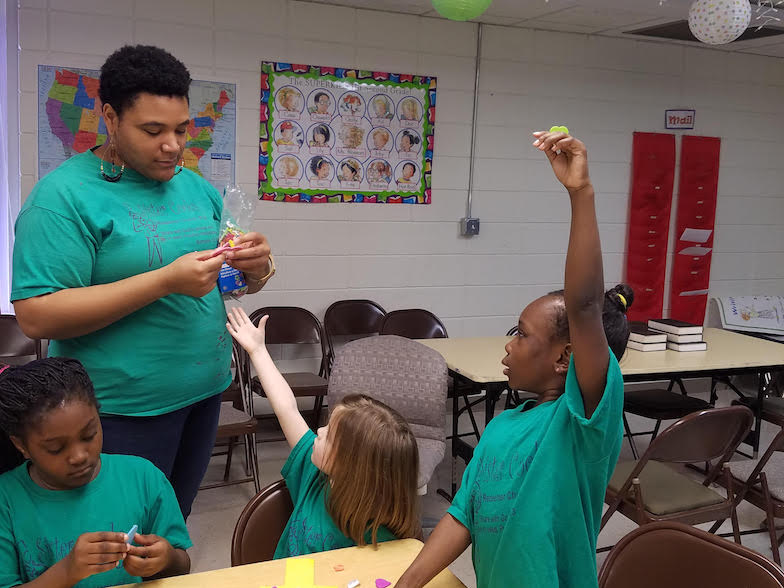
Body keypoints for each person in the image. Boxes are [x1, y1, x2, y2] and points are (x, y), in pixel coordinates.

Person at [10, 45, 274, 521]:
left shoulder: (195, 188)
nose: (172, 145)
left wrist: (255, 270)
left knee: (169, 528)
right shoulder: (63, 197)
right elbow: (36, 315)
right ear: (110, 117)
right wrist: (164, 281)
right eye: (153, 130)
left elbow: (225, 285)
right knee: (118, 541)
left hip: (202, 393)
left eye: (180, 129)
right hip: (117, 410)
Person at [394, 131, 633, 588]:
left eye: (521, 335)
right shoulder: (502, 426)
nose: (508, 345)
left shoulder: (582, 423)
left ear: (565, 357)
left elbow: (584, 306)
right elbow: (463, 515)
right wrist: (407, 583)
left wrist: (580, 193)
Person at [225, 308, 421, 558]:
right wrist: (257, 351)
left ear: (353, 466)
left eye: (329, 435)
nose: (319, 430)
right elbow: (287, 408)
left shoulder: (383, 539)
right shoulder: (315, 474)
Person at [0, 358, 192, 587]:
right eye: (56, 448)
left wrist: (166, 559)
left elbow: (181, 566)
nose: (79, 456)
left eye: (89, 435)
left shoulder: (143, 478)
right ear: (21, 446)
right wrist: (66, 571)